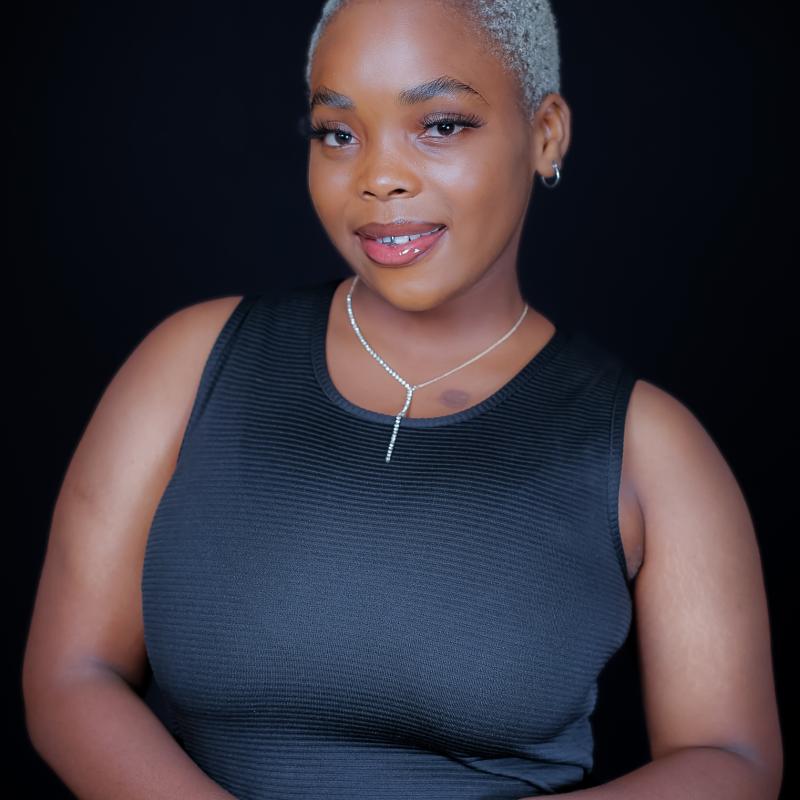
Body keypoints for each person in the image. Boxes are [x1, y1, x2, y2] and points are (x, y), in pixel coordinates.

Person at [22, 1, 782, 798]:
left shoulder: (646, 445)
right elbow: (73, 676)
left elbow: (731, 758)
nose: (379, 176)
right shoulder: (192, 363)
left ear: (546, 134)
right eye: (338, 134)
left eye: (441, 125)